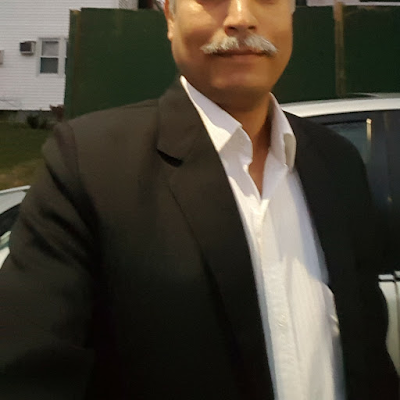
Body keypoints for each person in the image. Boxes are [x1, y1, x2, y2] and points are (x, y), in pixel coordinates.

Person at [0, 0, 398, 399]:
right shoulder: (90, 165)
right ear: (170, 17)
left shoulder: (337, 163)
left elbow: (369, 358)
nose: (241, 17)